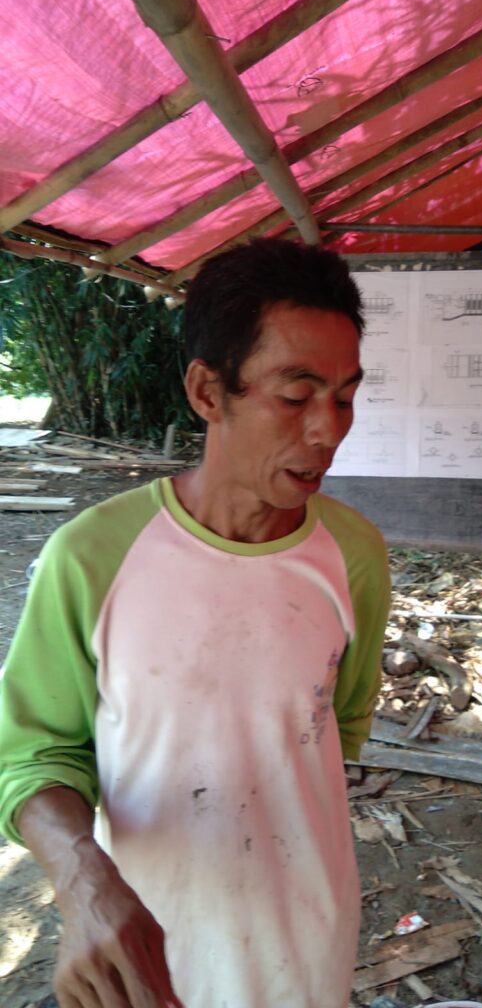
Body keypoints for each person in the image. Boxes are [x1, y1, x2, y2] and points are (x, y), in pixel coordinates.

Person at [0, 238, 390, 1008]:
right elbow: (31, 756)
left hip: (307, 945)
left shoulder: (353, 554)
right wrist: (82, 880)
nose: (328, 430)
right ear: (209, 392)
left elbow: (337, 729)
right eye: (296, 394)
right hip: (144, 955)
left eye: (345, 397)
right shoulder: (93, 556)